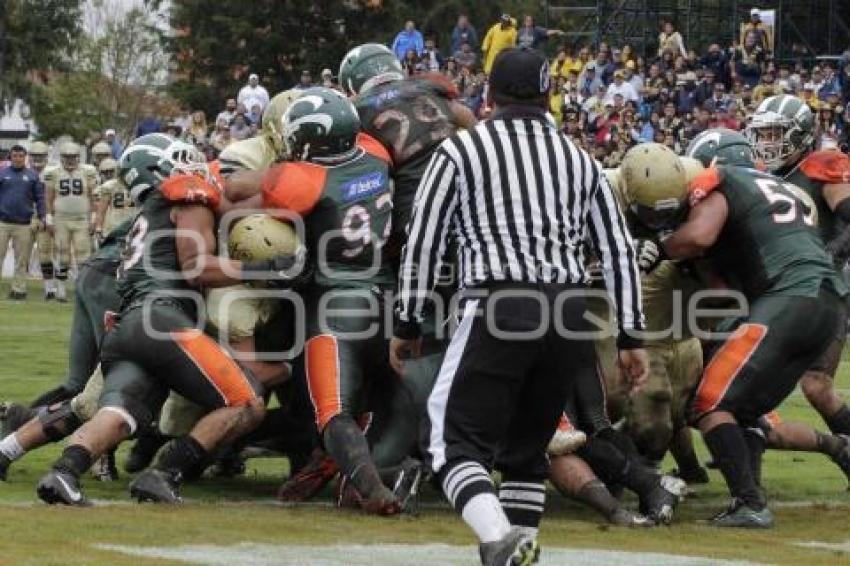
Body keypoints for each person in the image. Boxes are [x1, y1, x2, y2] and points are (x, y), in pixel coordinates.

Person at [391, 48, 647, 564]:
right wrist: (632, 336)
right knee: (526, 454)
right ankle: (521, 548)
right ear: (549, 94)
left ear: (489, 95)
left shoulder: (462, 150)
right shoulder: (581, 159)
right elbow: (617, 248)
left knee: (449, 443)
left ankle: (498, 538)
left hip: (500, 302)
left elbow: (423, 240)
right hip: (569, 314)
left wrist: (407, 318)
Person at [34, 134, 301, 505]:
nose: (195, 162)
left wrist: (286, 182)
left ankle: (63, 472)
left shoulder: (148, 213)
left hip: (130, 325)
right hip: (161, 320)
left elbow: (236, 202)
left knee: (120, 412)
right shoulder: (187, 193)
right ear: (166, 167)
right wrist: (268, 267)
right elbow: (196, 268)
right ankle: (166, 473)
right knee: (246, 402)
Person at [649, 128, 847, 527]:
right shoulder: (778, 187)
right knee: (745, 410)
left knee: (709, 402)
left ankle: (749, 503)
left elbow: (699, 235)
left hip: (791, 297)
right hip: (828, 302)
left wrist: (657, 247)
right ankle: (829, 456)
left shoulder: (723, 180)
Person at [226, 87, 405, 515]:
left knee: (332, 413)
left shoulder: (302, 180)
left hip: (336, 305)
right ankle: (365, 471)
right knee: (382, 398)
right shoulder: (375, 152)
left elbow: (235, 189)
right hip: (388, 300)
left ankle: (371, 488)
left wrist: (278, 168)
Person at [747, 94, 850, 436]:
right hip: (779, 290)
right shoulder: (765, 175)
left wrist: (827, 256)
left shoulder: (821, 166)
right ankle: (744, 445)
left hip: (823, 289)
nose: (767, 142)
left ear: (800, 134)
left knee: (817, 386)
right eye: (763, 134)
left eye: (776, 133)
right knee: (752, 375)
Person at [42, 141, 99, 302]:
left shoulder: (87, 172)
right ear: (61, 157)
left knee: (83, 255)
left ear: (78, 157)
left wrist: (94, 217)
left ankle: (82, 290)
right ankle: (60, 290)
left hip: (81, 219)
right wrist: (49, 218)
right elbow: (49, 197)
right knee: (62, 254)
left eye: (73, 157)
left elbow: (93, 196)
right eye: (67, 157)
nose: (70, 160)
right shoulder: (53, 173)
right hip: (61, 218)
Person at [0, 145, 46, 299]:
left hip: (24, 224)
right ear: (10, 157)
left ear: (25, 158)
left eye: (21, 156)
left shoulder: (32, 176)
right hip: (3, 222)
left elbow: (40, 198)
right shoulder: (2, 174)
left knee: (22, 259)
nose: (18, 158)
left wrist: (42, 217)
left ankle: (18, 289)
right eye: (15, 156)